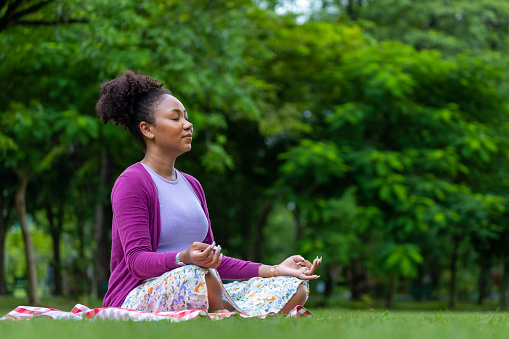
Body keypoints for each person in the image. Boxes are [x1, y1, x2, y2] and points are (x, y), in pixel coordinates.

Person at [96, 70, 322, 315]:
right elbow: (137, 262)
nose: (188, 124)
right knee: (199, 276)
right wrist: (184, 258)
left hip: (202, 283)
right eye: (176, 118)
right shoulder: (133, 181)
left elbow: (214, 261)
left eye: (186, 117)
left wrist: (276, 269)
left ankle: (230, 316)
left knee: (293, 286)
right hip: (140, 295)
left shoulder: (192, 185)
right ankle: (236, 316)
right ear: (147, 129)